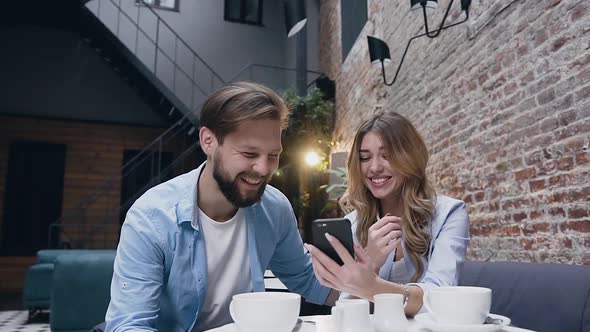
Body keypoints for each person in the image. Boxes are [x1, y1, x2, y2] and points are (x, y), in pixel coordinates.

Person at [105, 81, 337, 332]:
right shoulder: (152, 218)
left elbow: (307, 280)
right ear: (208, 141)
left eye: (273, 155)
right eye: (249, 154)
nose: (263, 169)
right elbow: (129, 325)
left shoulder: (274, 208)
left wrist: (367, 287)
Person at [304, 113, 469, 316]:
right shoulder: (353, 223)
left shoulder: (448, 214)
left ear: (410, 156)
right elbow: (346, 314)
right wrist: (370, 263)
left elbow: (441, 296)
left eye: (387, 155)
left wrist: (370, 286)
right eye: (365, 158)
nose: (374, 168)